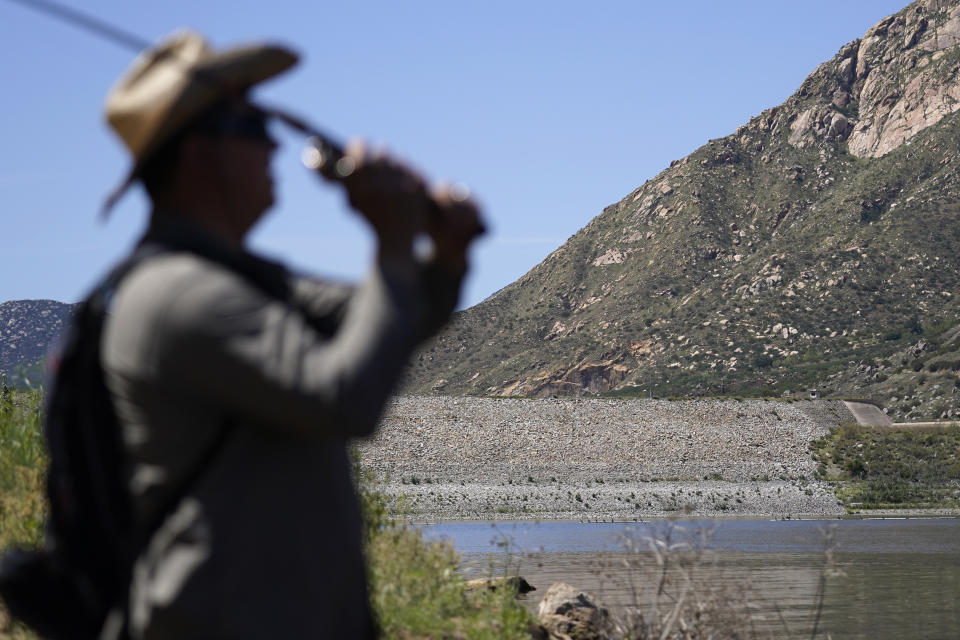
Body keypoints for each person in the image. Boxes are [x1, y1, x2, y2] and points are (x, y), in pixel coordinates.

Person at [97, 30, 482, 638]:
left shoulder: (244, 281)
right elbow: (343, 398)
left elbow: (391, 320)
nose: (273, 147)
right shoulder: (180, 295)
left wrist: (446, 257)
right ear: (198, 154)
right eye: (253, 127)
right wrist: (390, 242)